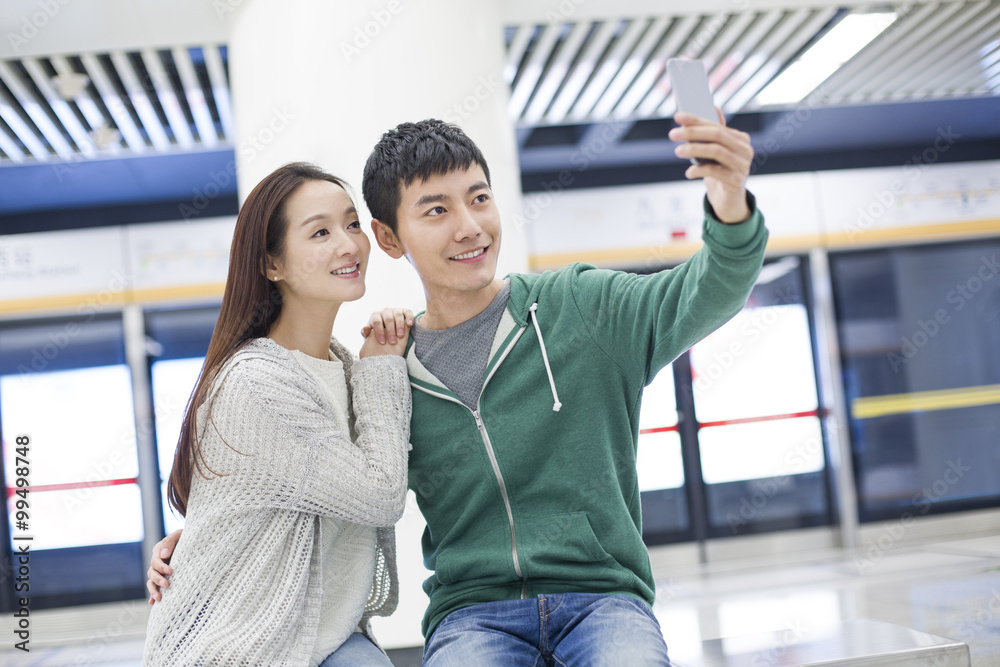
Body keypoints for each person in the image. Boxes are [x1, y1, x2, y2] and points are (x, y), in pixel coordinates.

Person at [150, 111, 766, 665]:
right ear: (389, 238)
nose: (471, 227)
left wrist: (729, 197)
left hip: (602, 598)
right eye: (437, 210)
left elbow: (707, 289)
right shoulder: (385, 374)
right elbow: (334, 483)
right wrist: (202, 544)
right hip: (473, 614)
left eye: (480, 198)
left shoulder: (578, 308)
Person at [142, 162, 414, 667]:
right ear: (273, 265)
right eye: (320, 232)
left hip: (322, 637)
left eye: (352, 223)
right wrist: (382, 370)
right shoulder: (257, 381)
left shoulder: (345, 367)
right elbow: (380, 494)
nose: (349, 244)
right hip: (241, 648)